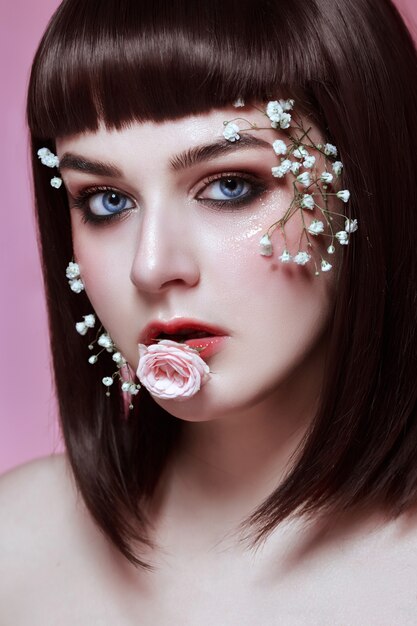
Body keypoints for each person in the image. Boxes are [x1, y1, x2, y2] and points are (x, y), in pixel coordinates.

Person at [1, 0, 417, 622]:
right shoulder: (17, 543)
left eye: (231, 185)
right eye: (108, 200)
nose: (151, 266)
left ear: (368, 183)